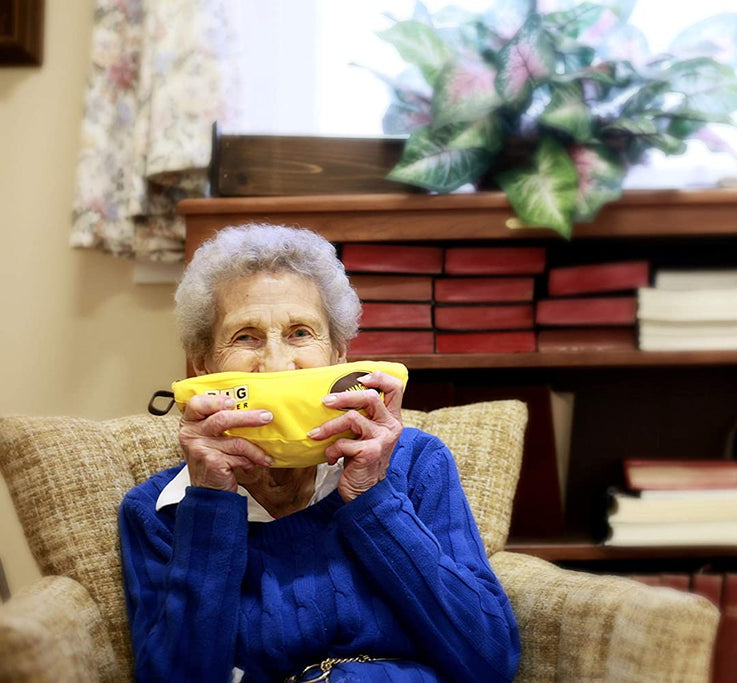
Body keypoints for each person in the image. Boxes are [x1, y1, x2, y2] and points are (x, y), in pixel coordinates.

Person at [118, 224, 520, 682]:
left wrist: (372, 496)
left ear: (339, 353)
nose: (276, 363)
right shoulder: (159, 512)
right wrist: (210, 500)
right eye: (246, 337)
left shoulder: (416, 463)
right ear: (204, 363)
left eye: (300, 332)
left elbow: (490, 661)